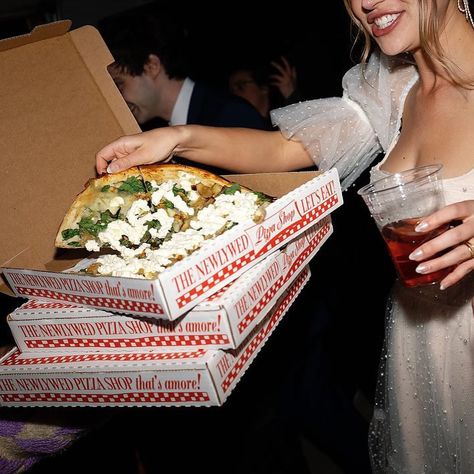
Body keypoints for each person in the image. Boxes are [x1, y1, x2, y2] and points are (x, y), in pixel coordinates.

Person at [96, 1, 474, 471]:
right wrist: (175, 138)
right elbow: (285, 148)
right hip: (420, 342)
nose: (366, 3)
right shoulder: (391, 90)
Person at [228, 56, 301, 125]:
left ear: (263, 88)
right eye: (232, 90)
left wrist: (291, 95)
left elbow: (304, 131)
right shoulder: (236, 125)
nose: (235, 93)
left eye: (241, 86)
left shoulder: (280, 122)